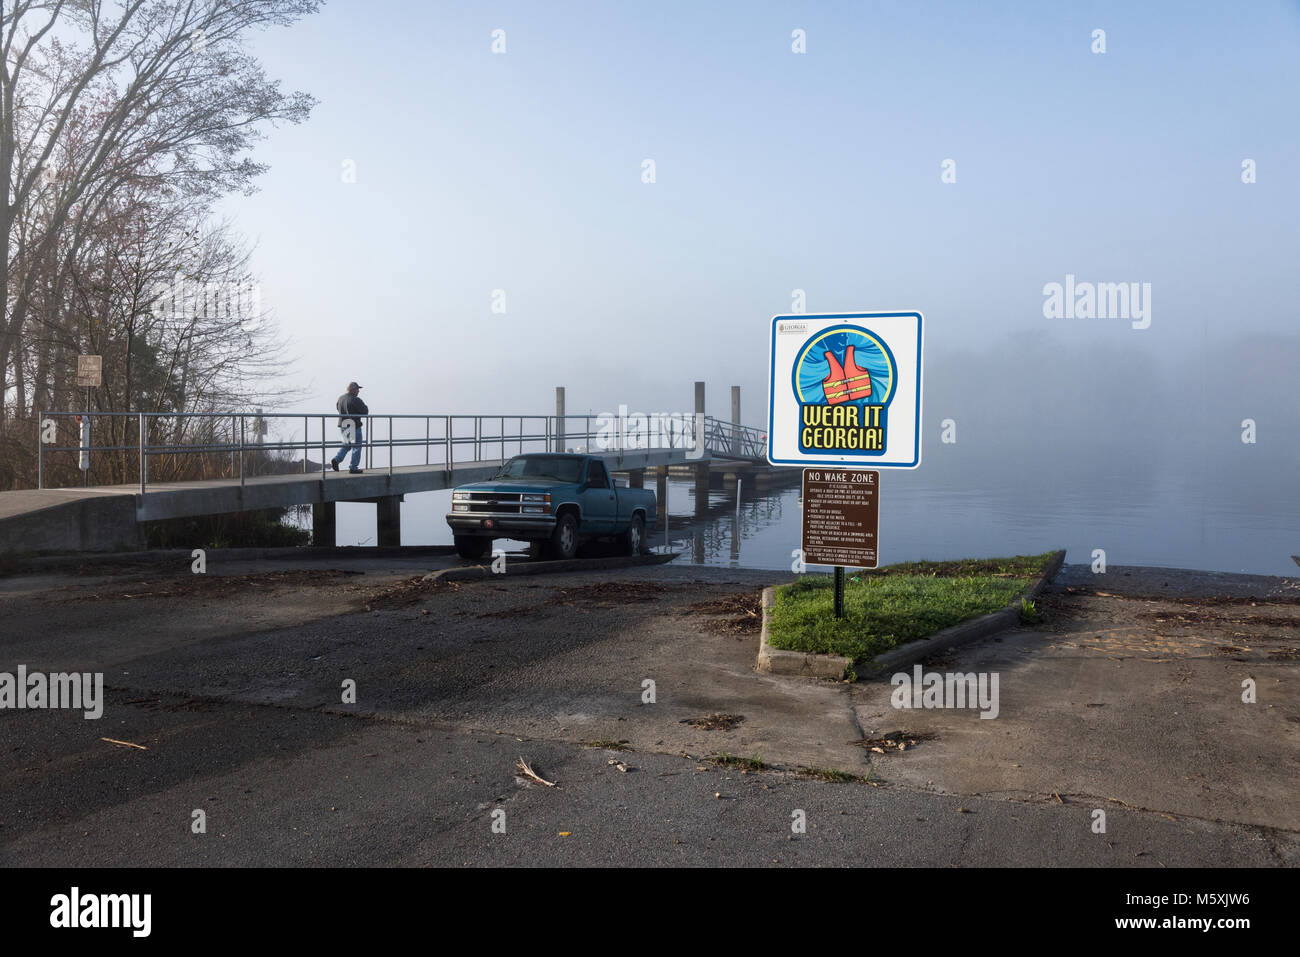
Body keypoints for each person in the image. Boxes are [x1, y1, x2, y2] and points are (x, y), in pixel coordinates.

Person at [331, 381, 368, 473]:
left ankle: (337, 459)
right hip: (354, 425)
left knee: (346, 445)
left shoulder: (340, 398)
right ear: (353, 390)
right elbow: (365, 411)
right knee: (357, 446)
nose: (358, 391)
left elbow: (338, 408)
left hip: (344, 424)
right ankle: (353, 467)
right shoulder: (356, 400)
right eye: (357, 389)